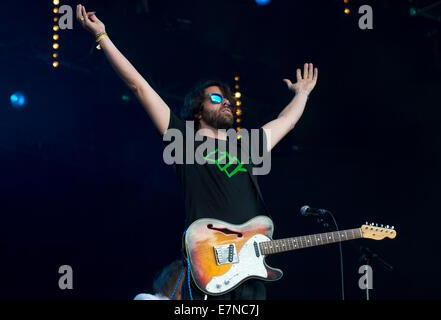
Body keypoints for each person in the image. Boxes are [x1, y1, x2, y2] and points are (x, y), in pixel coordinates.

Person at [76, 4, 318, 300]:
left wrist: (302, 94)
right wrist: (102, 36)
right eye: (217, 97)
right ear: (197, 108)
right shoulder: (183, 138)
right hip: (211, 263)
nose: (226, 102)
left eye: (228, 99)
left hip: (250, 269)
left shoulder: (246, 145)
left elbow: (286, 122)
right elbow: (138, 85)